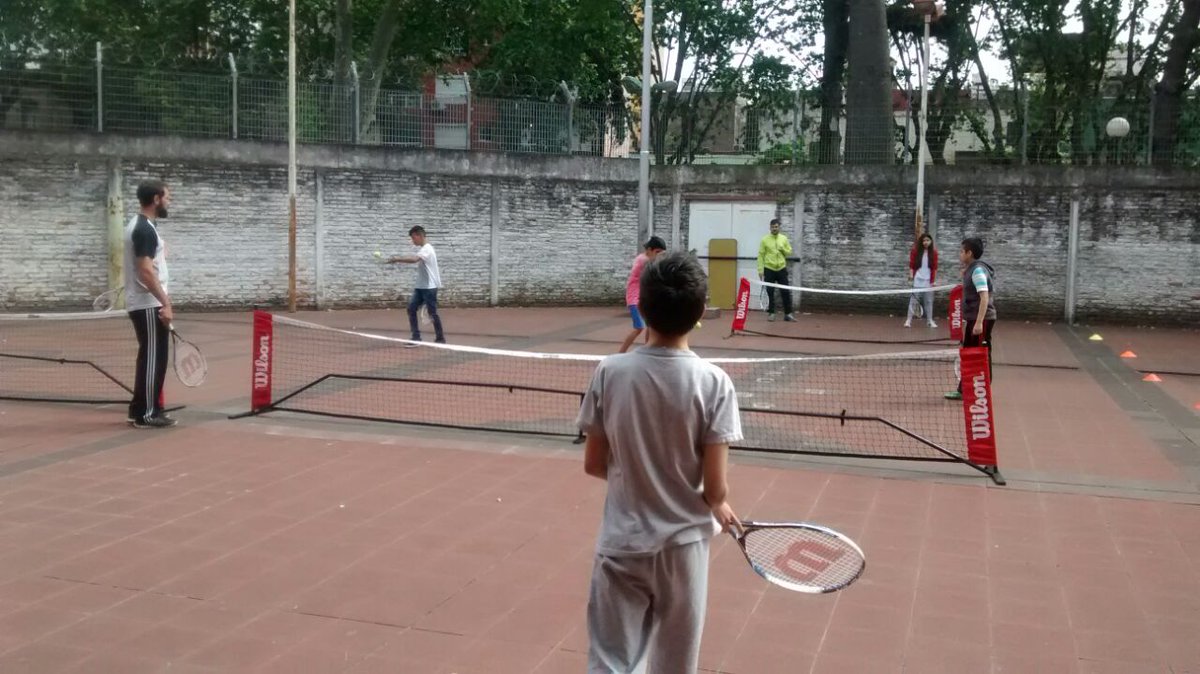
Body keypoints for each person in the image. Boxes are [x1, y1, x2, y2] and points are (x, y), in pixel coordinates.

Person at [577, 250, 743, 674]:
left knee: (610, 661)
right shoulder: (715, 383)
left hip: (622, 543)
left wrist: (636, 474)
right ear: (700, 312)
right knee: (675, 662)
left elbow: (594, 463)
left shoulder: (609, 372)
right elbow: (715, 488)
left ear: (643, 309)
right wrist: (718, 503)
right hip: (684, 550)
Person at [124, 180, 176, 429]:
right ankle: (147, 414)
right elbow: (145, 271)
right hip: (148, 304)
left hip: (146, 303)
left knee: (150, 356)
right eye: (167, 197)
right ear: (156, 199)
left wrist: (160, 253)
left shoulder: (142, 226)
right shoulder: (144, 229)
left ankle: (139, 409)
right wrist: (165, 303)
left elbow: (147, 262)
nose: (169, 201)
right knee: (154, 359)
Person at [946, 237, 996, 400]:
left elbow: (984, 297)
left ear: (970, 253)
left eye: (962, 251)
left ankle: (977, 390)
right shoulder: (972, 269)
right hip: (974, 318)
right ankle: (967, 389)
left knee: (977, 354)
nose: (960, 254)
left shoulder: (977, 271)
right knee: (970, 352)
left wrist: (979, 322)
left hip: (980, 319)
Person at [388, 225, 446, 343]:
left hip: (429, 288)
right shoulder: (423, 249)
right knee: (411, 309)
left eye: (413, 238)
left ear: (419, 235)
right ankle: (416, 337)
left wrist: (397, 259)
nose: (412, 241)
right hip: (420, 287)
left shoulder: (427, 249)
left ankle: (440, 338)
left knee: (432, 313)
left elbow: (414, 260)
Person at [618, 236, 667, 353]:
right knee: (639, 328)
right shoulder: (644, 260)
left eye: (661, 253)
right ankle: (621, 353)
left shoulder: (645, 258)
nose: (658, 255)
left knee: (650, 326)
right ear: (649, 249)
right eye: (657, 252)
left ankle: (647, 350)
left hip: (643, 298)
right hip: (634, 299)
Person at [757, 218, 794, 322]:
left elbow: (789, 252)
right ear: (770, 228)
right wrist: (760, 270)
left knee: (785, 291)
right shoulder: (765, 240)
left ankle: (788, 314)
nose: (774, 228)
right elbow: (761, 255)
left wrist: (783, 249)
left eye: (776, 227)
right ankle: (771, 313)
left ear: (779, 227)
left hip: (781, 269)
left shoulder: (784, 238)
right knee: (770, 292)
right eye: (773, 227)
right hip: (769, 269)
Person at [905, 232, 938, 328]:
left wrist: (933, 281)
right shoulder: (915, 251)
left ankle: (929, 320)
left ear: (931, 241)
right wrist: (911, 276)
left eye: (927, 240)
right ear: (921, 242)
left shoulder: (934, 253)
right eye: (924, 240)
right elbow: (911, 265)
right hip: (917, 279)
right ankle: (908, 320)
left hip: (928, 281)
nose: (926, 242)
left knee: (929, 301)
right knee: (913, 300)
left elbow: (935, 268)